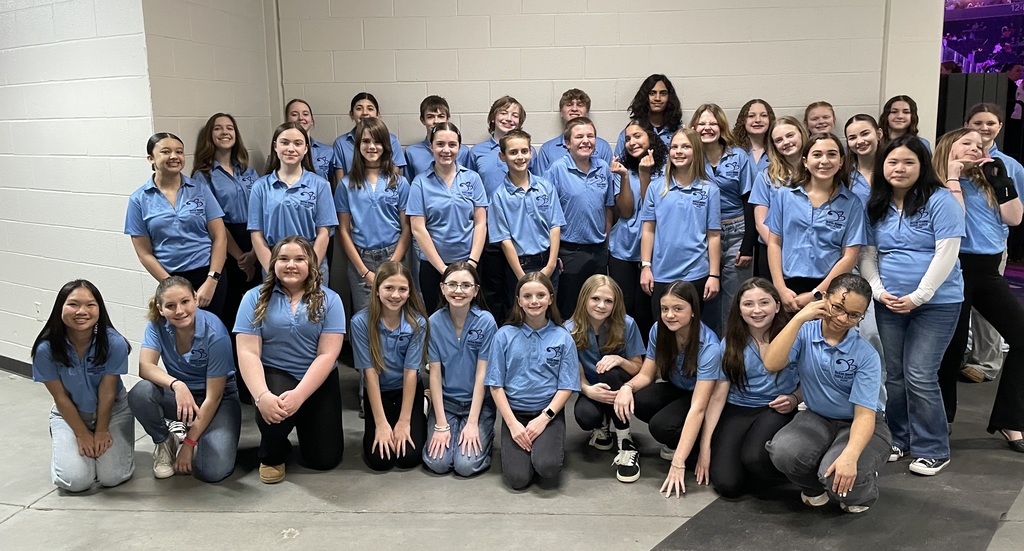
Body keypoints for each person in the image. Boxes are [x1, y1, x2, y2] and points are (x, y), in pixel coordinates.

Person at [860, 136, 964, 475]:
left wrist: (919, 295)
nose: (899, 168)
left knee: (920, 374)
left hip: (937, 302)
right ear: (882, 167)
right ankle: (899, 439)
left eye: (908, 162)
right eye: (892, 162)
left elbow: (946, 252)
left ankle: (933, 447)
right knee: (895, 375)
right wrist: (877, 290)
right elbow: (868, 254)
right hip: (889, 302)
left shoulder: (941, 200)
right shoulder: (877, 204)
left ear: (922, 166)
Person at [764, 274, 891, 514]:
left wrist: (851, 456)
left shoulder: (866, 354)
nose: (843, 319)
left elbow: (865, 415)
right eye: (837, 308)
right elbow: (772, 363)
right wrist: (799, 317)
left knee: (838, 477)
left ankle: (864, 491)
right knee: (783, 451)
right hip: (817, 416)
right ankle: (814, 488)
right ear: (823, 300)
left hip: (859, 421)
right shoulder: (805, 333)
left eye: (854, 315)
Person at [934, 129, 1024, 452]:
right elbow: (955, 220)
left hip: (987, 271)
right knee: (952, 349)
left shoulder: (990, 179)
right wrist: (953, 176)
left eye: (979, 144)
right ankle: (941, 420)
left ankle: (1010, 420)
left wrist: (1000, 181)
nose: (976, 147)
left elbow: (1015, 219)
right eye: (967, 143)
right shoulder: (936, 182)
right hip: (953, 269)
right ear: (949, 147)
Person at [234, 236, 346, 483]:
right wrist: (262, 396)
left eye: (299, 259)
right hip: (276, 374)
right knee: (274, 412)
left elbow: (327, 354)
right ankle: (272, 453)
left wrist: (300, 395)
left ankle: (305, 420)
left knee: (324, 460)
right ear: (273, 263)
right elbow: (248, 352)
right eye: (283, 259)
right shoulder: (253, 298)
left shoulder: (331, 300)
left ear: (311, 264)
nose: (291, 265)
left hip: (317, 377)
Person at [613, 281, 725, 498]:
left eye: (678, 309)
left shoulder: (709, 346)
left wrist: (678, 463)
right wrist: (626, 387)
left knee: (660, 427)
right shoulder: (659, 330)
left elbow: (698, 408)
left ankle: (693, 447)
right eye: (665, 309)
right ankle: (682, 441)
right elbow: (646, 375)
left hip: (700, 397)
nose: (670, 315)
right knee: (640, 401)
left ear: (693, 311)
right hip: (677, 388)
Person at [128, 277, 241, 483]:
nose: (179, 310)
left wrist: (189, 444)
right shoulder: (157, 326)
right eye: (170, 306)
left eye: (185, 302)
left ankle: (192, 434)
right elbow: (145, 367)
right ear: (161, 309)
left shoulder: (215, 333)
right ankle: (165, 440)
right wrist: (177, 384)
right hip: (182, 396)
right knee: (140, 393)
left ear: (196, 299)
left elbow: (213, 398)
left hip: (218, 398)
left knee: (212, 471)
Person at [31, 280, 134, 493]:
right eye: (73, 304)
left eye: (90, 305)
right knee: (75, 481)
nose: (81, 311)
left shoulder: (114, 343)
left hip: (113, 410)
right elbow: (60, 397)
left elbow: (107, 392)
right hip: (70, 414)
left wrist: (102, 430)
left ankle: (103, 456)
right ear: (60, 308)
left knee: (112, 476)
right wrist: (82, 433)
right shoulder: (46, 349)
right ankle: (69, 449)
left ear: (99, 309)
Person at [486, 272, 580, 490]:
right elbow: (496, 385)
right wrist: (512, 424)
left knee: (547, 467)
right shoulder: (504, 335)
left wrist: (543, 419)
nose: (534, 301)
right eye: (527, 296)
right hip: (515, 414)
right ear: (519, 301)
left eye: (540, 295)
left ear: (550, 298)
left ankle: (544, 448)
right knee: (518, 479)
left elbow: (566, 386)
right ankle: (525, 449)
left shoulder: (563, 336)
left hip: (548, 412)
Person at [710, 278, 798, 498]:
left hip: (776, 408)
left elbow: (811, 380)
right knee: (727, 485)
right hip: (738, 408)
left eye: (764, 302)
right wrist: (705, 449)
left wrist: (795, 398)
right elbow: (718, 397)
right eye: (748, 304)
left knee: (755, 458)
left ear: (777, 306)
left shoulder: (795, 337)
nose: (756, 310)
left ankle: (794, 474)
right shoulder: (730, 342)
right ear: (739, 309)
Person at [125, 132, 228, 318]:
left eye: (179, 152)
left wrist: (212, 279)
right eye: (165, 151)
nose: (174, 156)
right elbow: (144, 253)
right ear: (151, 158)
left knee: (215, 332)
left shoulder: (200, 189)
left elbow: (219, 236)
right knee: (180, 336)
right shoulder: (139, 199)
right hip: (170, 278)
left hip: (209, 276)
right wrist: (173, 287)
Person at [767, 133, 866, 312]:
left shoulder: (852, 203)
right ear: (805, 161)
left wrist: (817, 293)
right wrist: (780, 288)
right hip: (789, 288)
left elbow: (850, 256)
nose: (824, 160)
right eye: (817, 154)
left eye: (832, 154)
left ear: (841, 161)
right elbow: (774, 243)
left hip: (831, 289)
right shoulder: (784, 195)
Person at [960, 103, 1024, 383]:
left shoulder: (1011, 166)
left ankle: (986, 363)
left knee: (988, 311)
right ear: (966, 125)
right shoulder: (954, 165)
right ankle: (956, 358)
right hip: (956, 252)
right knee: (957, 315)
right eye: (977, 123)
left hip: (991, 249)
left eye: (990, 123)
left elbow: (1015, 214)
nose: (984, 128)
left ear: (999, 126)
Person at [350, 261, 429, 471]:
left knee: (408, 457)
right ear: (376, 290)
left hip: (407, 389)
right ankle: (386, 420)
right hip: (379, 391)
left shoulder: (417, 323)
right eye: (388, 288)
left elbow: (411, 373)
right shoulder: (361, 322)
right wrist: (381, 424)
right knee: (380, 461)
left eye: (402, 289)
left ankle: (423, 405)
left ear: (410, 292)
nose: (395, 295)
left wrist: (404, 422)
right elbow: (370, 374)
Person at [566, 275, 645, 482]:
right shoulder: (569, 329)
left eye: (608, 301)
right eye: (595, 299)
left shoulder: (627, 324)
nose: (601, 305)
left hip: (620, 386)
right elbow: (575, 371)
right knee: (585, 416)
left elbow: (638, 367)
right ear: (584, 299)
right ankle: (601, 427)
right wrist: (587, 390)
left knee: (609, 370)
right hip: (592, 389)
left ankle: (625, 439)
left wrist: (619, 359)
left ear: (615, 303)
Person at [423, 262, 498, 476]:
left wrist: (473, 422)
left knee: (466, 465)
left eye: (466, 285)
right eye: (452, 284)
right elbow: (435, 374)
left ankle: (484, 433)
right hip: (446, 402)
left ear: (475, 291)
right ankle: (433, 415)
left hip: (478, 404)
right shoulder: (434, 322)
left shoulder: (486, 322)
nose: (458, 290)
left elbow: (482, 374)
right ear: (442, 288)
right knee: (438, 463)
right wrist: (441, 424)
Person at [191, 112, 260, 346]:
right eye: (218, 128)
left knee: (256, 308)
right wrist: (242, 257)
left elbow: (261, 209)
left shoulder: (248, 171)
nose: (225, 132)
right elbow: (216, 224)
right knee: (230, 310)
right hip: (226, 247)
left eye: (229, 127)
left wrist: (253, 254)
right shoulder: (203, 175)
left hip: (255, 242)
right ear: (210, 136)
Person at [640, 128, 721, 318]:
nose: (678, 151)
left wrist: (714, 275)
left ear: (696, 151)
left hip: (697, 273)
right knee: (663, 330)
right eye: (674, 147)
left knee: (693, 333)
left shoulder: (710, 190)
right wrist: (645, 266)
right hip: (661, 274)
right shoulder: (656, 187)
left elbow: (714, 235)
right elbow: (648, 229)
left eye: (686, 146)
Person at [334, 117, 412, 314]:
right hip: (361, 259)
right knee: (365, 318)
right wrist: (363, 271)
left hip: (394, 255)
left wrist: (393, 264)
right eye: (366, 141)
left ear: (386, 145)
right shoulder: (346, 184)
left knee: (394, 314)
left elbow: (406, 228)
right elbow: (343, 230)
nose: (372, 147)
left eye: (377, 141)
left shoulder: (399, 183)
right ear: (359, 145)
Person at [408, 122, 488, 312]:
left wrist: (471, 264)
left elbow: (480, 223)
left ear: (459, 148)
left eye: (452, 145)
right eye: (440, 144)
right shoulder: (420, 183)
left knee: (470, 317)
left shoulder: (472, 179)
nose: (446, 150)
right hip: (434, 267)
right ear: (431, 147)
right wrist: (444, 270)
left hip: (470, 263)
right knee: (436, 318)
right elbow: (418, 228)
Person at [545, 117, 621, 317]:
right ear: (568, 143)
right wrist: (554, 253)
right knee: (569, 309)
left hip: (597, 252)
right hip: (569, 252)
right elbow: (546, 213)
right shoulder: (557, 169)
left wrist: (605, 241)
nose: (586, 140)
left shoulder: (603, 168)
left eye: (590, 136)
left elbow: (608, 207)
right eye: (579, 136)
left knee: (596, 309)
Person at [689, 103, 755, 335]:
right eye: (702, 123)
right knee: (707, 293)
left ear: (721, 127)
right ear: (694, 127)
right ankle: (707, 350)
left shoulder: (738, 156)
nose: (707, 128)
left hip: (736, 230)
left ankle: (730, 350)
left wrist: (748, 244)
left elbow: (749, 199)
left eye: (712, 123)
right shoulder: (690, 157)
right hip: (703, 234)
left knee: (733, 295)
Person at [488, 129, 565, 316]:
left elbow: (555, 226)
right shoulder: (499, 197)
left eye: (524, 151)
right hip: (519, 267)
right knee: (522, 316)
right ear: (502, 156)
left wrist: (551, 265)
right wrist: (522, 278)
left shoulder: (545, 187)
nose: (520, 157)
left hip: (548, 262)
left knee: (549, 314)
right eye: (513, 152)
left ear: (531, 152)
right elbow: (505, 241)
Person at [248, 122, 337, 278]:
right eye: (285, 142)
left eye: (298, 143)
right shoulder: (260, 187)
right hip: (275, 260)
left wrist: (310, 269)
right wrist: (273, 269)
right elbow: (256, 234)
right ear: (275, 146)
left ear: (306, 149)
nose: (291, 148)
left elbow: (323, 233)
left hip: (311, 261)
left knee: (313, 303)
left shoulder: (321, 185)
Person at [609, 121, 667, 338]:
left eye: (637, 136)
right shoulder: (621, 169)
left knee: (646, 311)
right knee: (624, 308)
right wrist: (624, 177)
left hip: (651, 249)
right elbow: (625, 211)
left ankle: (647, 361)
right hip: (622, 248)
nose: (632, 142)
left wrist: (645, 174)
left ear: (650, 139)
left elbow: (652, 210)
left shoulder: (665, 170)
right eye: (627, 139)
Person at [749, 117, 808, 278]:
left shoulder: (817, 173)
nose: (786, 142)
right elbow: (760, 222)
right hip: (773, 251)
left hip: (809, 252)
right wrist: (780, 250)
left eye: (790, 135)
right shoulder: (766, 177)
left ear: (801, 134)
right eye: (779, 140)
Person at [535, 88, 613, 174]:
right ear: (561, 112)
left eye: (580, 105)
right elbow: (542, 183)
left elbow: (610, 180)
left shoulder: (603, 147)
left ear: (587, 112)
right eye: (569, 104)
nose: (574, 109)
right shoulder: (547, 150)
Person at [332, 92, 406, 181]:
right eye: (359, 109)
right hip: (352, 192)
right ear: (351, 114)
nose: (365, 113)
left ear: (377, 114)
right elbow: (340, 182)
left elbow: (393, 180)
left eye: (370, 109)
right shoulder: (341, 143)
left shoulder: (392, 140)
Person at [468, 95, 533, 194]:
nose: (509, 119)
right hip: (488, 209)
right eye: (503, 113)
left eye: (515, 115)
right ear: (493, 118)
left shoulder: (527, 152)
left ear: (519, 122)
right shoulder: (477, 152)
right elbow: (470, 186)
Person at [405, 95, 471, 181]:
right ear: (422, 120)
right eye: (430, 117)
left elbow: (468, 182)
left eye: (441, 116)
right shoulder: (412, 152)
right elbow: (410, 185)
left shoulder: (463, 151)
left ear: (448, 119)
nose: (436, 121)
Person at [614, 74, 683, 156]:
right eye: (652, 93)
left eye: (663, 93)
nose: (657, 98)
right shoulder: (629, 134)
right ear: (645, 97)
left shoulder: (678, 131)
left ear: (669, 97)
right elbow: (618, 164)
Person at [285, 98, 335, 182]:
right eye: (294, 114)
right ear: (286, 120)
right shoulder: (280, 152)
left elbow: (334, 185)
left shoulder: (328, 152)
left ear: (312, 120)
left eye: (305, 114)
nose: (301, 118)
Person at [844, 114, 884, 205]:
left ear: (879, 134)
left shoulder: (892, 167)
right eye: (852, 138)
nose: (860, 141)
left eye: (865, 134)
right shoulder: (844, 172)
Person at [732, 99, 776, 174]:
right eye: (751, 116)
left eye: (763, 115)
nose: (758, 120)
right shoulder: (731, 151)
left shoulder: (778, 150)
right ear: (742, 120)